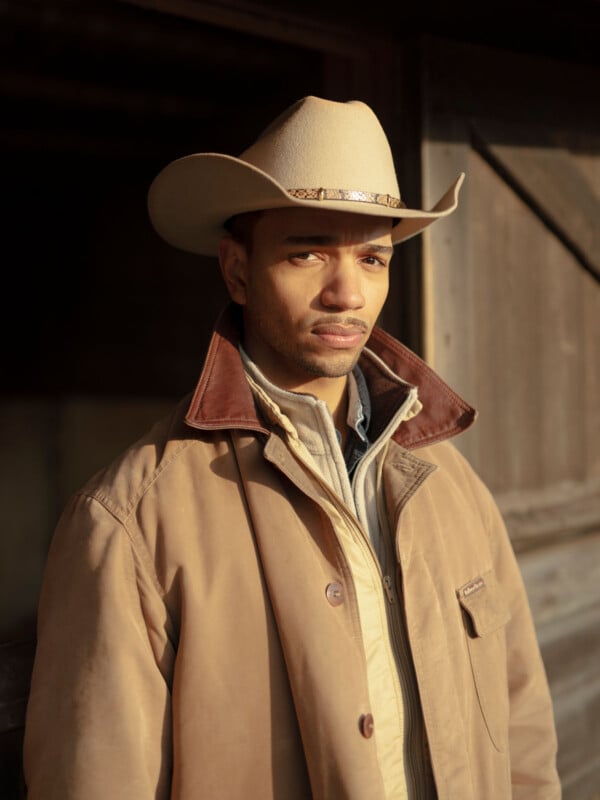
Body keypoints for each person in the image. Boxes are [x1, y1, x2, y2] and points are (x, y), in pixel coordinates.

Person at [23, 96, 561, 799]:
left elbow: (523, 732)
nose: (347, 292)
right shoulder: (131, 519)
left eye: (373, 258)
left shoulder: (448, 480)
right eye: (307, 251)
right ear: (238, 271)